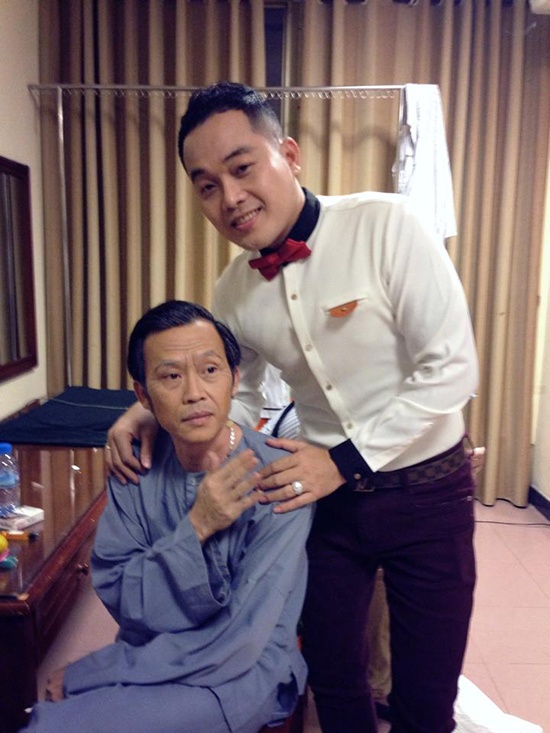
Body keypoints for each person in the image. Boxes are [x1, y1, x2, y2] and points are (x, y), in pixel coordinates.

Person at [107, 82, 480, 733]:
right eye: (207, 185)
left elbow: (451, 369)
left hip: (428, 491)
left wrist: (343, 460)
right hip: (324, 502)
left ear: (289, 154)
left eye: (242, 167)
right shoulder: (232, 292)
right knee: (331, 675)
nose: (230, 197)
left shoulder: (388, 225)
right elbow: (241, 390)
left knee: (426, 695)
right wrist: (154, 413)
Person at [22, 300, 312, 733]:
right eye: (171, 376)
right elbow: (122, 597)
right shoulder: (135, 468)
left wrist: (100, 669)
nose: (194, 392)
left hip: (237, 674)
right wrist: (198, 524)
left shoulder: (277, 477)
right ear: (143, 395)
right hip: (153, 654)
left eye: (210, 370)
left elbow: (243, 638)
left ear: (235, 379)